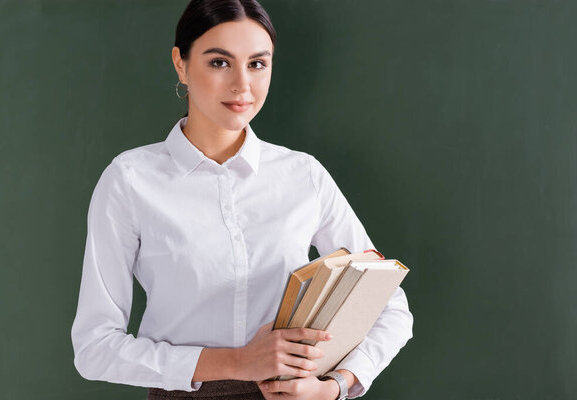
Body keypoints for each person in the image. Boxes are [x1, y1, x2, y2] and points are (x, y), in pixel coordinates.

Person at [70, 0, 414, 399]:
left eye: (257, 64)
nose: (242, 85)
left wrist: (334, 387)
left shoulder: (303, 175)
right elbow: (94, 348)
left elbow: (391, 305)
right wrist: (237, 362)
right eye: (220, 62)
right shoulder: (130, 180)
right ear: (181, 64)